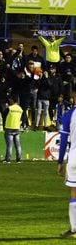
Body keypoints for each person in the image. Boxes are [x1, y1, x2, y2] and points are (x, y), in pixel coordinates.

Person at [58, 90, 76, 238]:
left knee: (74, 193)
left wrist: (59, 162)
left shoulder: (68, 116)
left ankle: (74, 229)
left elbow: (63, 141)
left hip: (74, 157)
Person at [2, 95, 24, 164]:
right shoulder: (20, 109)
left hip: (9, 127)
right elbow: (22, 118)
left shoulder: (10, 108)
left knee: (9, 145)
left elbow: (3, 115)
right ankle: (19, 159)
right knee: (18, 145)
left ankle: (8, 159)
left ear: (12, 100)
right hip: (17, 127)